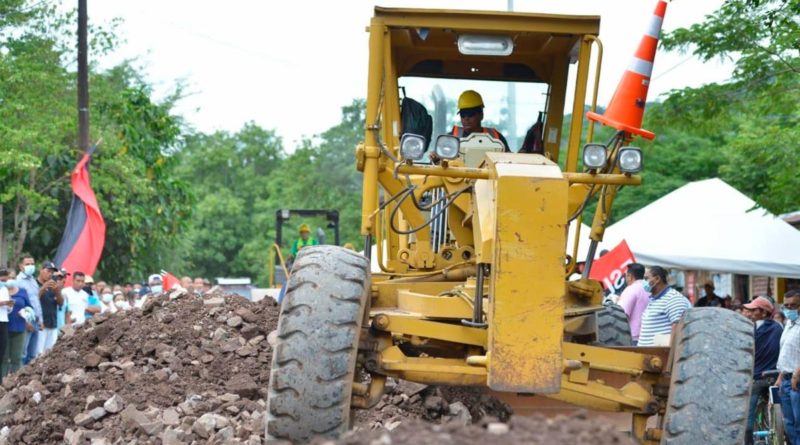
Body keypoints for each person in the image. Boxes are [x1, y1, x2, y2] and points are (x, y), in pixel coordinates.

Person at [743, 296, 783, 444]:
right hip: (775, 376)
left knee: (747, 419)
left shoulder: (752, 328)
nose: (750, 313)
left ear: (763, 312)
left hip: (757, 378)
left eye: (754, 310)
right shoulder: (779, 326)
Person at [636, 266, 692, 347]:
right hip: (646, 356)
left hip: (659, 357)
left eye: (646, 278)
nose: (644, 282)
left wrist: (668, 356)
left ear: (657, 279)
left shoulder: (673, 298)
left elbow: (677, 329)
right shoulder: (653, 299)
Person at [776, 290, 800, 444]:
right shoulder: (788, 324)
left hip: (796, 381)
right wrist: (780, 377)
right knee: (789, 424)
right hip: (785, 379)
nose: (790, 309)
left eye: (794, 305)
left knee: (799, 423)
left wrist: (797, 374)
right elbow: (785, 353)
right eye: (787, 305)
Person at [2, 270, 33, 377]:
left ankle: (15, 383)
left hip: (19, 328)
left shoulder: (22, 292)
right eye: (8, 278)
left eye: (13, 278)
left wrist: (27, 315)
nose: (11, 280)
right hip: (4, 329)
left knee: (17, 357)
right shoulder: (2, 291)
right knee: (3, 358)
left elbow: (29, 307)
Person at [616, 263, 650, 345]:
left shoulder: (631, 289)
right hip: (648, 336)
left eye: (626, 276)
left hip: (633, 338)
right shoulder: (650, 288)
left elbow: (621, 314)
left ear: (630, 276)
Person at [40, 269, 66, 352]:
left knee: (49, 353)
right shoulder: (37, 284)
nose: (50, 274)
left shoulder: (54, 288)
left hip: (53, 324)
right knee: (38, 353)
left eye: (59, 278)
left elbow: (61, 303)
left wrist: (57, 291)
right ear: (41, 271)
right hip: (41, 325)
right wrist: (43, 288)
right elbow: (34, 300)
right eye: (49, 271)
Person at [0, 269, 16, 382]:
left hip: (3, 321)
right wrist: (3, 303)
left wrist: (9, 305)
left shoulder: (5, 289)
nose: (5, 282)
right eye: (2, 280)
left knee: (2, 352)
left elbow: (7, 310)